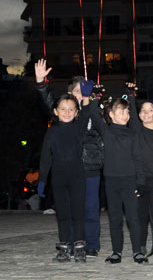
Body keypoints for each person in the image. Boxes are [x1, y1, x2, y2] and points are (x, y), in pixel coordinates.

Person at [35, 59, 94, 263]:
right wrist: (42, 180)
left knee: (78, 212)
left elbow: (87, 113)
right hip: (58, 175)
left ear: (76, 112)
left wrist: (85, 98)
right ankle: (64, 248)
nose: (67, 112)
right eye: (63, 109)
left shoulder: (79, 127)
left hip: (77, 173)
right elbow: (45, 157)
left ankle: (79, 246)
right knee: (62, 214)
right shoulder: (51, 133)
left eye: (71, 109)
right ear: (55, 111)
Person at [90, 88, 146, 263]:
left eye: (127, 111)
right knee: (114, 218)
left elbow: (138, 158)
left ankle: (137, 251)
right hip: (112, 181)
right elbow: (93, 112)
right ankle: (117, 252)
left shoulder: (133, 133)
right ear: (111, 115)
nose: (126, 114)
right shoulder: (106, 131)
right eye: (121, 111)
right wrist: (95, 96)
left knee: (133, 218)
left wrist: (141, 182)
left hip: (130, 180)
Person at [132, 96, 153, 258]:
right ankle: (141, 244)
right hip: (141, 180)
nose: (146, 113)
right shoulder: (136, 131)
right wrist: (131, 96)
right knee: (141, 215)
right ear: (139, 115)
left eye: (150, 110)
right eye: (143, 110)